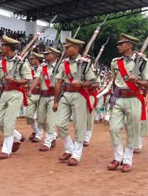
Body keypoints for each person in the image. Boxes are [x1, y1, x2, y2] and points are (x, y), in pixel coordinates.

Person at [0, 35, 31, 159]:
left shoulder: (21, 62)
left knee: (9, 121)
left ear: (8, 47)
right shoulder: (1, 63)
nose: (1, 47)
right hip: (4, 93)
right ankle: (17, 137)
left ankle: (6, 149)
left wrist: (14, 79)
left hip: (17, 93)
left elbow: (27, 80)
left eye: (3, 45)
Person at [107, 34, 148, 172]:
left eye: (121, 44)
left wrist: (137, 81)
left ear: (130, 45)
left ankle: (127, 160)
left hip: (134, 98)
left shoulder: (143, 61)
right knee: (113, 128)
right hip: (119, 98)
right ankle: (118, 156)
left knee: (132, 130)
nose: (118, 46)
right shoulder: (115, 62)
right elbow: (113, 80)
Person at [53, 37, 96, 166]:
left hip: (80, 95)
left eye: (68, 47)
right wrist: (56, 101)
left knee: (79, 125)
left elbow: (92, 80)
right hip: (66, 94)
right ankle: (69, 148)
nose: (65, 49)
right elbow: (59, 82)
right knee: (59, 124)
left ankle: (76, 155)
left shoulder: (86, 63)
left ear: (76, 49)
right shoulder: (64, 63)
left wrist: (82, 84)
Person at [28, 46, 60, 151]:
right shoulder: (43, 67)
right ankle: (53, 135)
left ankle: (47, 142)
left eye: (47, 54)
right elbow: (37, 79)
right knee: (41, 120)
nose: (45, 56)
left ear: (54, 55)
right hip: (43, 95)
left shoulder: (60, 67)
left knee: (50, 120)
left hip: (53, 97)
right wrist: (31, 90)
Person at [25, 52, 44, 142]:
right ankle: (36, 131)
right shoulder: (29, 69)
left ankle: (39, 135)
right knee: (28, 115)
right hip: (31, 94)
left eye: (32, 59)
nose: (30, 60)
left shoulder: (44, 68)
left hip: (41, 94)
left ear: (37, 59)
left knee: (40, 116)